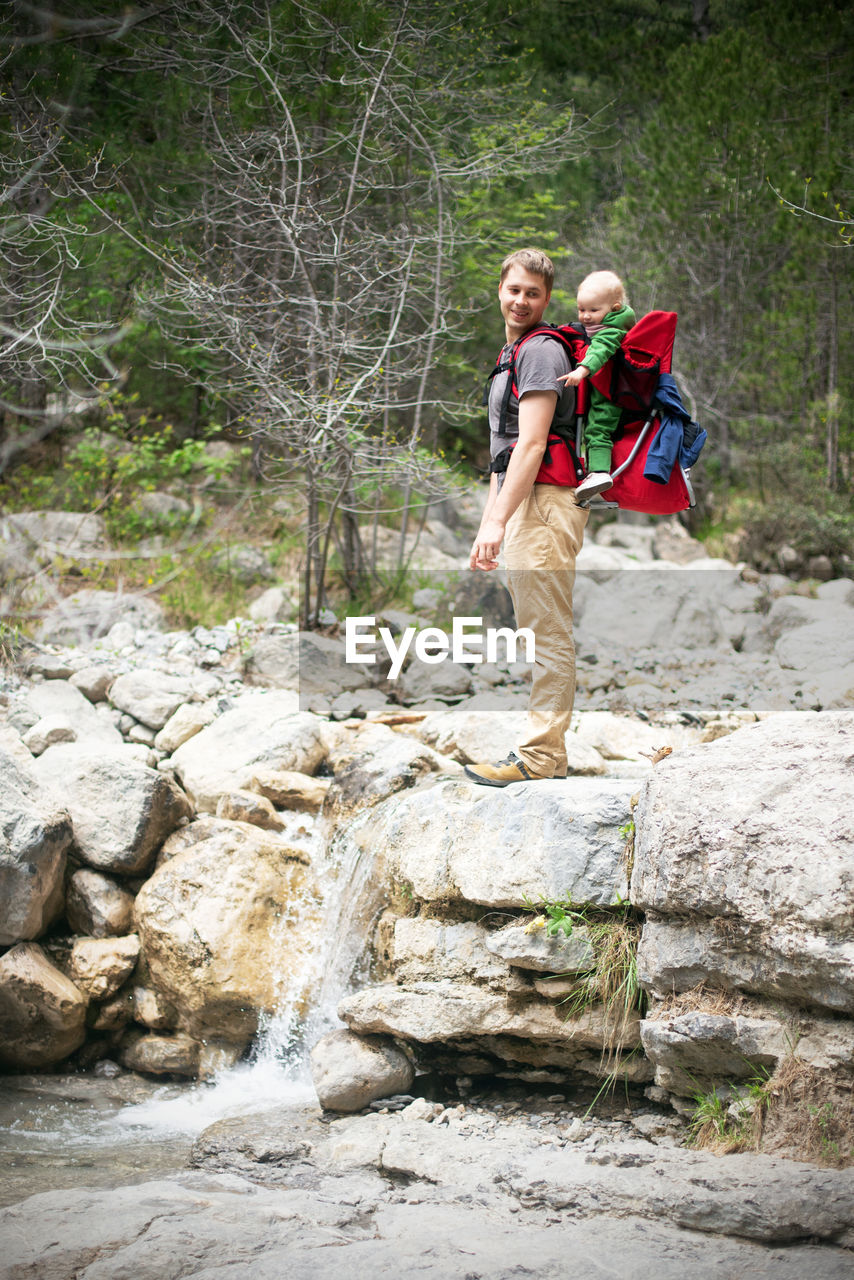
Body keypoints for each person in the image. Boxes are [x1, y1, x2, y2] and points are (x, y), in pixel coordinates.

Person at [464, 248, 589, 787]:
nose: (521, 300)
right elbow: (503, 450)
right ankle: (544, 753)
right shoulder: (511, 351)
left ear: (546, 299)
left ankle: (540, 758)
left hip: (544, 502)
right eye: (514, 290)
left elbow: (533, 442)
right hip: (524, 503)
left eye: (532, 293)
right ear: (500, 289)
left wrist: (499, 521)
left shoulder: (539, 353)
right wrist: (490, 521)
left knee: (546, 633)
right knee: (536, 630)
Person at [561, 270, 635, 502]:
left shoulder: (612, 329)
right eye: (582, 310)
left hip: (610, 394)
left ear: (614, 307)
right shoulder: (611, 321)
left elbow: (601, 348)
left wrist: (582, 370)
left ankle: (599, 473)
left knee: (597, 430)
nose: (585, 316)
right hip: (607, 388)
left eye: (593, 310)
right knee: (596, 430)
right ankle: (596, 471)